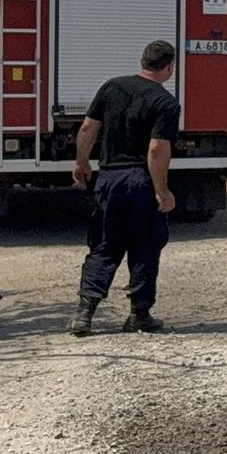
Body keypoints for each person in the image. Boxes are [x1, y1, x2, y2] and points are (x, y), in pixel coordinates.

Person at [69, 39, 180, 337]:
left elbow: (87, 129)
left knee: (105, 245)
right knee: (145, 244)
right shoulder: (165, 102)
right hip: (141, 181)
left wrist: (82, 163)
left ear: (143, 61)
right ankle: (139, 315)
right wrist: (162, 190)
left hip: (109, 178)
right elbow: (156, 150)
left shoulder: (112, 87)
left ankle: (84, 313)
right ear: (169, 67)